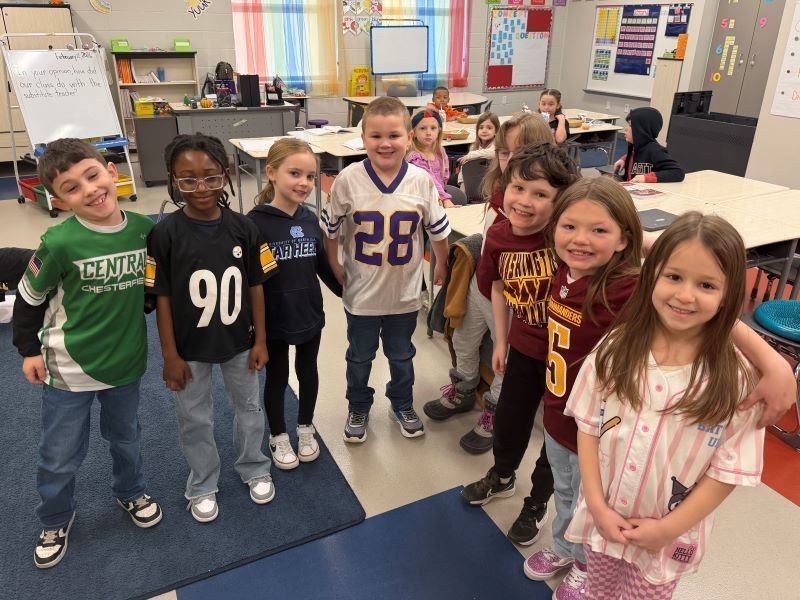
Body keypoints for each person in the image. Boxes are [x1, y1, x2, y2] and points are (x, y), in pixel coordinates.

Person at [12, 138, 163, 569]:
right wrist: (28, 350)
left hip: (126, 363)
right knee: (59, 453)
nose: (90, 190)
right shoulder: (59, 242)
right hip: (69, 368)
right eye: (72, 188)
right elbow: (28, 299)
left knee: (126, 437)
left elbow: (152, 286)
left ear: (112, 173)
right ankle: (55, 517)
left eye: (93, 176)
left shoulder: (144, 230)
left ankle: (131, 491)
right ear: (59, 201)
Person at [146, 133, 275, 523]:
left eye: (211, 177)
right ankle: (203, 482)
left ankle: (254, 466)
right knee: (194, 417)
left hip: (240, 342)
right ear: (173, 180)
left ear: (226, 175)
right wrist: (170, 356)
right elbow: (161, 298)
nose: (201, 188)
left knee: (249, 408)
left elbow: (257, 286)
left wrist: (261, 340)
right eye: (188, 180)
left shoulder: (245, 228)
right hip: (189, 347)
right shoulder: (163, 234)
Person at [523, 177, 642, 598]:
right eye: (569, 226)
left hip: (598, 429)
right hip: (558, 412)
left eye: (599, 230)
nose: (580, 240)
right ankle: (563, 547)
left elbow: (686, 291)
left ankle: (588, 566)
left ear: (624, 239)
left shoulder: (627, 288)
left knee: (590, 504)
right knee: (564, 491)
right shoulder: (564, 271)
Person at [460, 145, 580, 547]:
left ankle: (538, 501)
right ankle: (502, 476)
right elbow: (496, 286)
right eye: (518, 188)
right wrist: (501, 339)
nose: (525, 201)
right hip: (524, 345)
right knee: (510, 419)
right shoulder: (497, 235)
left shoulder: (565, 238)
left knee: (557, 436)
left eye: (540, 194)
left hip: (570, 358)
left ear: (561, 201)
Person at [320, 96, 451, 443]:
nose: (385, 143)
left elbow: (437, 232)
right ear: (363, 138)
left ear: (409, 137)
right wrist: (333, 263)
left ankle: (401, 403)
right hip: (361, 294)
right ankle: (358, 406)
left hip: (404, 294)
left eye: (394, 135)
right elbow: (330, 230)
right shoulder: (348, 179)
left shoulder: (421, 181)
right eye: (376, 136)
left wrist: (442, 264)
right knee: (359, 358)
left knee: (402, 355)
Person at [425, 113, 554, 457]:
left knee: (505, 359)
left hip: (515, 297)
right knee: (464, 339)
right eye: (504, 152)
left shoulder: (548, 204)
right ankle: (464, 388)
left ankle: (495, 411)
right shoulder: (502, 189)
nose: (510, 160)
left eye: (520, 152)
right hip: (483, 284)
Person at [248, 138, 342, 470]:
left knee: (308, 371)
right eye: (295, 173)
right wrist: (254, 331)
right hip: (272, 319)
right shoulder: (254, 224)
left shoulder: (310, 219)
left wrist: (348, 292)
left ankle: (305, 426)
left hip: (308, 312)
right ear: (271, 172)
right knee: (277, 376)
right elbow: (250, 281)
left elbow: (322, 266)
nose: (304, 182)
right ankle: (278, 434)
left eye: (310, 176)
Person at [613, 106, 685, 183]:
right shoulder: (637, 146)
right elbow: (637, 154)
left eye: (630, 125)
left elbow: (678, 172)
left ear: (642, 130)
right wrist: (625, 159)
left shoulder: (655, 150)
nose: (626, 129)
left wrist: (646, 178)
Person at [407, 108, 461, 208]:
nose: (428, 132)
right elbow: (430, 181)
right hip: (420, 204)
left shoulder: (440, 152)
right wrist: (445, 200)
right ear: (413, 133)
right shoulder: (415, 158)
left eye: (433, 128)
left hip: (437, 202)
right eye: (422, 128)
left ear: (439, 131)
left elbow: (444, 178)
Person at [456, 111, 500, 188]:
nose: (484, 130)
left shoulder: (497, 144)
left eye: (489, 128)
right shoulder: (474, 146)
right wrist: (462, 182)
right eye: (481, 127)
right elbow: (465, 166)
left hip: (491, 182)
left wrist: (470, 155)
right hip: (474, 179)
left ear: (496, 131)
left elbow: (493, 153)